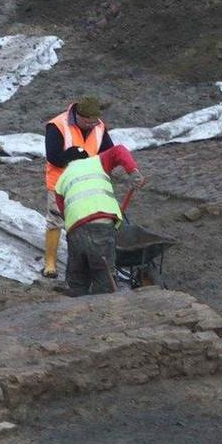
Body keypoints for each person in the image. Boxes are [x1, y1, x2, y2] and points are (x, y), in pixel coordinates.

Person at [54, 144, 145, 296]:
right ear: (87, 157)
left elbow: (63, 211)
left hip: (75, 231)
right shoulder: (97, 162)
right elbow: (119, 150)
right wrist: (133, 171)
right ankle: (103, 312)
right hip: (101, 226)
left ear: (66, 164)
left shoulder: (61, 179)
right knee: (104, 278)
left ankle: (75, 304)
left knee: (77, 278)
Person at [42, 96, 115, 278]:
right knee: (55, 219)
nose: (92, 125)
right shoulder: (57, 125)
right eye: (88, 121)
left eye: (94, 121)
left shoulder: (98, 127)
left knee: (86, 220)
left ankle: (87, 261)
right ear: (78, 116)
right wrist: (73, 155)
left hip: (87, 182)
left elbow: (108, 152)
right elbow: (53, 157)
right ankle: (50, 262)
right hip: (60, 182)